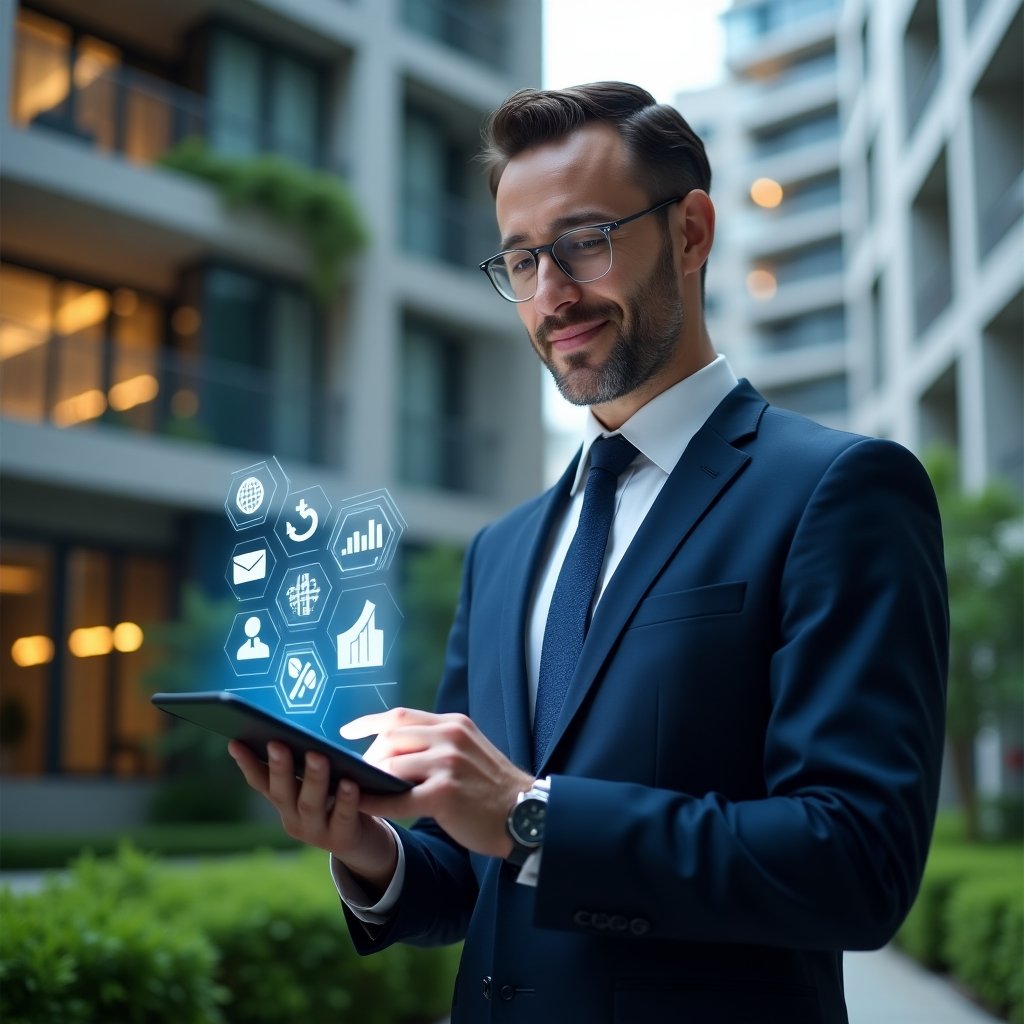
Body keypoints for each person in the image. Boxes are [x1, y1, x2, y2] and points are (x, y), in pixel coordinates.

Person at [230, 82, 948, 1023]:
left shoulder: (840, 490)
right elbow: (475, 872)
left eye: (583, 243)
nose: (550, 295)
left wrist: (536, 816)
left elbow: (859, 862)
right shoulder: (503, 550)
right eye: (522, 259)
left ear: (691, 232)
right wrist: (371, 848)